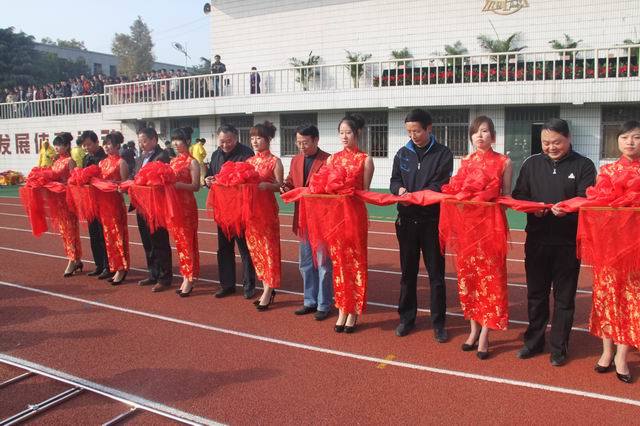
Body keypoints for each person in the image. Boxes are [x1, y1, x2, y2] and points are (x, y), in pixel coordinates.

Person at [512, 118, 596, 366]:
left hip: (567, 243)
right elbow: (519, 195)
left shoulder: (584, 165)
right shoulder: (531, 164)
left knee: (564, 299)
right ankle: (534, 342)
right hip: (537, 240)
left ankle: (559, 348)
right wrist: (534, 208)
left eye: (556, 142)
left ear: (568, 138)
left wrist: (568, 209)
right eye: (546, 142)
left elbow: (587, 198)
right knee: (536, 295)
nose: (550, 147)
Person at [440, 116, 512, 359]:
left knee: (491, 279)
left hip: (491, 227)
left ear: (493, 135)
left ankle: (485, 333)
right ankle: (473, 328)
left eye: (485, 131)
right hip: (468, 228)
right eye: (475, 132)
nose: (480, 136)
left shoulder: (504, 162)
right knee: (468, 278)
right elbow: (457, 192)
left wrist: (487, 198)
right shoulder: (465, 161)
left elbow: (506, 198)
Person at [390, 109, 453, 342]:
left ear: (429, 128)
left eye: (417, 131)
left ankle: (439, 323)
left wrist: (415, 196)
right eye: (409, 132)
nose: (413, 136)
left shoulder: (443, 154)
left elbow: (440, 185)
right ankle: (406, 319)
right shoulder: (402, 153)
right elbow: (394, 180)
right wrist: (400, 190)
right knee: (408, 273)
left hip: (432, 222)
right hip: (406, 221)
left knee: (436, 275)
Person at [588, 120, 640, 383]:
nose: (630, 142)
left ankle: (622, 356)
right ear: (617, 140)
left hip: (636, 249)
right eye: (625, 137)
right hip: (609, 247)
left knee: (631, 301)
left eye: (636, 137)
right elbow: (596, 206)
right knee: (607, 298)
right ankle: (606, 351)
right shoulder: (606, 171)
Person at [326, 114, 374, 333]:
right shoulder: (332, 160)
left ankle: (353, 310)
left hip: (354, 215)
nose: (344, 136)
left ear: (357, 134)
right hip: (335, 217)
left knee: (355, 262)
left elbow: (365, 191)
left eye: (348, 132)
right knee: (338, 263)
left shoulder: (365, 160)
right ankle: (341, 309)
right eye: (341, 133)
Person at [282, 124, 333, 321]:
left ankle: (324, 304)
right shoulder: (296, 160)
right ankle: (309, 301)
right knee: (305, 264)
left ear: (316, 140)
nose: (301, 146)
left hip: (321, 220)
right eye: (298, 142)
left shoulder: (327, 160)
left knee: (323, 264)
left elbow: (331, 187)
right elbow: (291, 181)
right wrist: (285, 187)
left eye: (305, 143)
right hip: (302, 219)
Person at [205, 125, 257, 298]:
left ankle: (249, 286)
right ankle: (227, 285)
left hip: (240, 210)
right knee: (224, 248)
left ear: (236, 138)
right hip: (222, 209)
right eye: (222, 141)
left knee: (245, 249)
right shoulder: (216, 154)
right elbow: (210, 174)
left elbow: (250, 182)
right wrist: (208, 180)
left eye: (229, 141)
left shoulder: (246, 154)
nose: (225, 145)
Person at [245, 121, 284, 310]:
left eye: (259, 137)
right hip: (251, 211)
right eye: (252, 137)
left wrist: (268, 186)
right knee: (256, 249)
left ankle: (269, 289)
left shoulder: (275, 161)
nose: (254, 141)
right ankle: (265, 286)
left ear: (268, 139)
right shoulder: (248, 162)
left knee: (269, 249)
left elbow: (280, 185)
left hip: (267, 211)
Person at [134, 127, 173, 292]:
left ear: (154, 140)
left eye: (144, 141)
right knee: (147, 242)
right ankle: (153, 273)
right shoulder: (140, 157)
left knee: (159, 241)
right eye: (140, 141)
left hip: (156, 206)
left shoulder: (162, 156)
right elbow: (134, 176)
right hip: (141, 204)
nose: (141, 145)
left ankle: (165, 277)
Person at [169, 127, 201, 296]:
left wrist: (178, 185)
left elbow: (196, 186)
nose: (175, 143)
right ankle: (186, 275)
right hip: (174, 206)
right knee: (180, 242)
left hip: (187, 207)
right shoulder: (173, 162)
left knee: (187, 241)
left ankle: (189, 278)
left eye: (179, 140)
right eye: (174, 140)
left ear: (188, 141)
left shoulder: (192, 162)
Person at [97, 131, 130, 285]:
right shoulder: (101, 163)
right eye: (105, 143)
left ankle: (121, 268)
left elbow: (125, 185)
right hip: (103, 203)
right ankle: (114, 266)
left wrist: (113, 185)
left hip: (115, 203)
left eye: (109, 144)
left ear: (117, 146)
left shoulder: (121, 163)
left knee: (118, 235)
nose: (106, 146)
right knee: (108, 237)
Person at [51, 133, 83, 277]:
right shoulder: (56, 161)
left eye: (59, 145)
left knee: (71, 231)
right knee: (64, 231)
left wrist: (62, 185)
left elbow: (73, 182)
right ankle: (76, 259)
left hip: (68, 200)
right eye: (55, 145)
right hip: (58, 200)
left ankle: (72, 260)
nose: (56, 147)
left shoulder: (70, 161)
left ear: (67, 146)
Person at [80, 130, 110, 280]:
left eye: (89, 144)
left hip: (102, 201)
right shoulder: (86, 158)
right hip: (89, 200)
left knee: (103, 235)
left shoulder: (103, 158)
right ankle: (98, 265)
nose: (87, 148)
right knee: (93, 235)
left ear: (97, 142)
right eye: (84, 145)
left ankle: (107, 266)